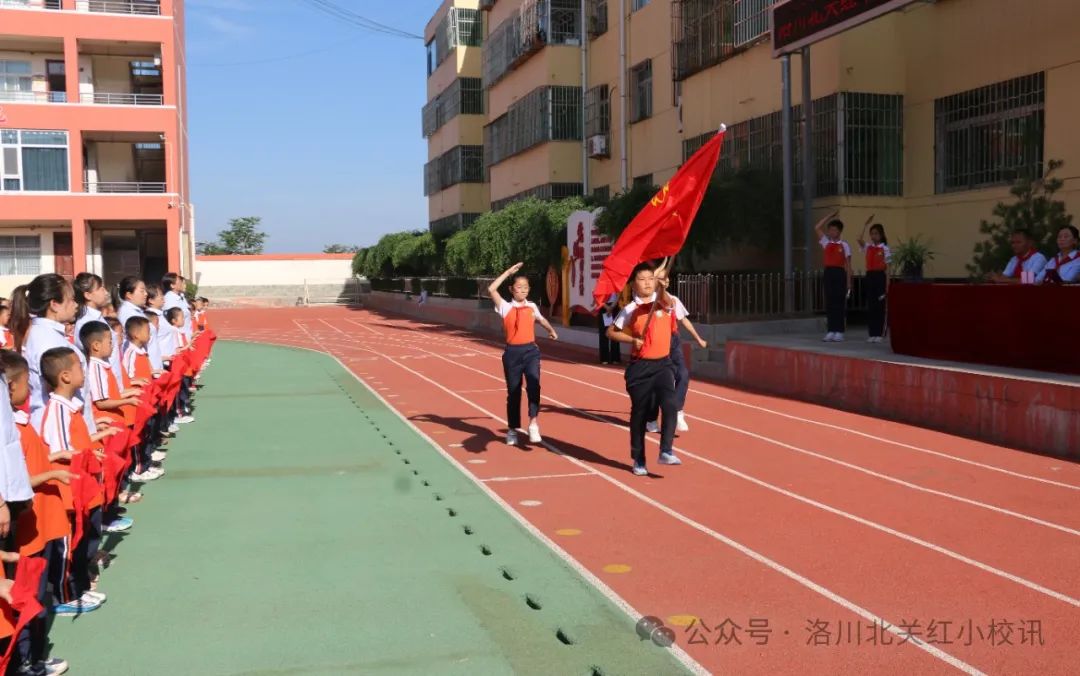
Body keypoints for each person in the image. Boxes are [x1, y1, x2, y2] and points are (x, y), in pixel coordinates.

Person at [607, 262, 682, 476]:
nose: (647, 283)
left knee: (670, 404)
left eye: (650, 278)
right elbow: (611, 332)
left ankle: (665, 450)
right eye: (642, 279)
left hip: (663, 365)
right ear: (633, 285)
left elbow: (667, 301)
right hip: (640, 368)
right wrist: (632, 339)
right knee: (639, 414)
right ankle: (638, 458)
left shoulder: (665, 303)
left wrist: (663, 287)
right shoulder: (630, 310)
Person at [487, 263, 558, 446]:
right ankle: (512, 429)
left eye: (526, 288)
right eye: (519, 287)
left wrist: (551, 330)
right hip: (512, 353)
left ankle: (533, 423)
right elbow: (491, 288)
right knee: (514, 392)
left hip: (531, 351)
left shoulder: (532, 306)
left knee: (534, 386)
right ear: (511, 289)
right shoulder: (504, 307)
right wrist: (509, 272)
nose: (523, 291)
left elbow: (541, 320)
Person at [644, 264, 707, 434]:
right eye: (662, 278)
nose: (666, 280)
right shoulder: (648, 299)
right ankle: (650, 419)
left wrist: (698, 338)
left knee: (683, 374)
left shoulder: (673, 300)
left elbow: (684, 321)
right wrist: (662, 265)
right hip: (655, 343)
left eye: (667, 278)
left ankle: (678, 410)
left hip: (673, 341)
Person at [814, 212, 852, 342]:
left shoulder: (845, 245)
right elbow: (817, 227)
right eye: (829, 230)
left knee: (839, 302)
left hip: (839, 273)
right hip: (828, 273)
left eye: (834, 230)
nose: (831, 232)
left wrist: (849, 282)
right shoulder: (826, 243)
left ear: (839, 231)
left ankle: (839, 331)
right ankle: (831, 330)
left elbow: (848, 265)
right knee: (830, 302)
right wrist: (829, 216)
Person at [857, 217, 891, 343]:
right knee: (871, 306)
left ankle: (880, 333)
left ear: (881, 235)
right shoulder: (868, 247)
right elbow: (859, 239)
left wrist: (887, 283)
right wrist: (865, 225)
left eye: (876, 233)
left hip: (880, 277)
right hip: (870, 276)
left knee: (879, 306)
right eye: (872, 234)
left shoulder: (885, 248)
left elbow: (888, 268)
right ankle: (872, 333)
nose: (873, 236)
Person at [598, 292, 621, 365]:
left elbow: (618, 294)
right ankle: (604, 358)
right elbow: (597, 297)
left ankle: (615, 358)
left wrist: (612, 306)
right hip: (603, 308)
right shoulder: (600, 283)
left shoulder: (615, 283)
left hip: (614, 307)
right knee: (604, 334)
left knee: (615, 332)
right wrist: (607, 307)